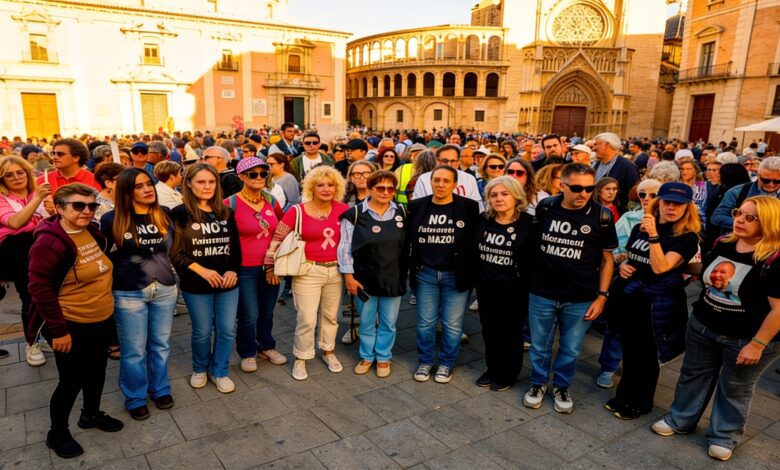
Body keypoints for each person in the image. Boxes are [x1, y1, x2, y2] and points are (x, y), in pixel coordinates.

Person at [652, 196, 780, 462]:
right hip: (703, 325)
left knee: (735, 388)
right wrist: (675, 261)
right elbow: (705, 270)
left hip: (746, 338)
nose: (739, 220)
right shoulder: (724, 242)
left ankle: (724, 436)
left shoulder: (774, 258)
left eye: (750, 217)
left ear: (768, 222)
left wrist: (757, 343)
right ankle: (680, 419)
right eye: (738, 213)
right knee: (692, 376)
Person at [27, 183, 123, 459]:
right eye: (78, 206)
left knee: (97, 371)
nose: (86, 211)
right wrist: (58, 331)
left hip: (102, 317)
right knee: (71, 380)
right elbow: (39, 288)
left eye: (92, 205)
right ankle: (57, 433)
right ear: (59, 208)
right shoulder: (50, 241)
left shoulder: (91, 232)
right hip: (71, 323)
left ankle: (90, 415)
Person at [525, 163, 617, 414]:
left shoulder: (602, 215)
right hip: (542, 291)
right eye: (576, 188)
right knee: (540, 344)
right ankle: (538, 383)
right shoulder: (546, 207)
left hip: (580, 296)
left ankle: (562, 386)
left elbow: (608, 259)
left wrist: (602, 296)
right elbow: (533, 245)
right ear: (562, 185)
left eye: (589, 189)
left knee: (570, 347)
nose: (583, 194)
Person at [606, 182, 700, 420]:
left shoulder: (686, 237)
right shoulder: (640, 227)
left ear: (687, 208)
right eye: (667, 201)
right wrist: (623, 264)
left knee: (646, 355)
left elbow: (661, 267)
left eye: (678, 204)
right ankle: (624, 395)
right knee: (630, 350)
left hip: (656, 303)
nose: (671, 207)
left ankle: (639, 402)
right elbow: (633, 256)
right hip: (630, 298)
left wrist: (655, 236)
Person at [100, 168, 178, 420]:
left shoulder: (163, 214)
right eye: (138, 186)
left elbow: (170, 249)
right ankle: (135, 396)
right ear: (126, 191)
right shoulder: (112, 219)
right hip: (129, 291)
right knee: (134, 350)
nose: (147, 189)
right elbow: (105, 254)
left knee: (161, 345)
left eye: (149, 184)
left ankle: (160, 388)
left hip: (165, 287)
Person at [264, 165, 349, 381]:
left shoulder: (343, 209)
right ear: (312, 187)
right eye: (320, 184)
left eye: (331, 185)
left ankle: (328, 351)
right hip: (307, 270)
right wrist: (270, 265)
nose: (326, 189)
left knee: (331, 316)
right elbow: (278, 238)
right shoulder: (297, 211)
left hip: (336, 271)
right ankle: (302, 357)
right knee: (307, 318)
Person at [171, 163, 241, 394]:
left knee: (227, 329)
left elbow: (235, 248)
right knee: (201, 331)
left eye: (211, 181)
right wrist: (201, 270)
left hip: (227, 283)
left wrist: (233, 271)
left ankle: (219, 371)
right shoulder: (179, 213)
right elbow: (175, 253)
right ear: (189, 183)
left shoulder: (225, 211)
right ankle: (200, 368)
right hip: (196, 285)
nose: (207, 186)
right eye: (201, 182)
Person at [408, 165, 480, 383]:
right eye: (436, 180)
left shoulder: (468, 207)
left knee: (452, 323)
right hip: (425, 273)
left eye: (446, 181)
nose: (440, 185)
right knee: (425, 322)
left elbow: (474, 240)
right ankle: (426, 361)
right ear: (430, 182)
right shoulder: (418, 206)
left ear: (454, 184)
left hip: (455, 274)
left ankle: (447, 363)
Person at [338, 170, 407, 378]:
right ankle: (367, 355)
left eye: (390, 188)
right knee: (367, 321)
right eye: (380, 188)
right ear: (370, 189)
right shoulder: (355, 214)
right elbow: (344, 248)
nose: (385, 192)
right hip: (363, 278)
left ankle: (383, 356)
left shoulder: (402, 212)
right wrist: (348, 276)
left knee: (388, 322)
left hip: (393, 277)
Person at [228, 158, 287, 373]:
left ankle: (266, 346)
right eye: (253, 174)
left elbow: (283, 229)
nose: (260, 178)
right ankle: (247, 351)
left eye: (264, 173)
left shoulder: (271, 201)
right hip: (244, 269)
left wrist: (275, 263)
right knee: (248, 313)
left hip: (270, 268)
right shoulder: (230, 204)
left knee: (267, 312)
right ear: (241, 177)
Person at [475, 176, 533, 391]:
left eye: (504, 193)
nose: (499, 198)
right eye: (494, 195)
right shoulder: (484, 220)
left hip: (514, 288)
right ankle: (492, 368)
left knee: (510, 332)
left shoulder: (529, 224)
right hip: (486, 286)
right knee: (489, 330)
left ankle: (508, 372)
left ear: (516, 195)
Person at [0, 156, 52, 365]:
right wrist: (37, 200)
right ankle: (32, 342)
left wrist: (52, 209)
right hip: (17, 252)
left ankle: (46, 333)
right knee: (30, 297)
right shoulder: (3, 198)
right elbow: (15, 222)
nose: (16, 177)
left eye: (20, 172)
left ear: (27, 172)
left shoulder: (38, 191)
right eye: (9, 175)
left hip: (44, 247)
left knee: (50, 294)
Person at [710, 156, 780, 230]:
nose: (771, 184)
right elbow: (717, 217)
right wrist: (746, 224)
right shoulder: (738, 191)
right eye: (766, 180)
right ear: (758, 176)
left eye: (777, 181)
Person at [412, 144, 484, 211]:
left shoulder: (468, 179)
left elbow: (477, 206)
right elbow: (418, 205)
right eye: (445, 160)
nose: (449, 164)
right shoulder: (424, 179)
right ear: (437, 161)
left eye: (453, 161)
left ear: (458, 161)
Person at [593, 133, 640, 212]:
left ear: (607, 145)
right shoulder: (595, 164)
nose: (593, 148)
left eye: (596, 144)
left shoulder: (628, 167)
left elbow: (634, 195)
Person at [36, 138, 101, 193]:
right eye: (53, 153)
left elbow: (106, 207)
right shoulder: (42, 181)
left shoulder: (95, 181)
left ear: (76, 157)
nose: (54, 157)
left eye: (60, 154)